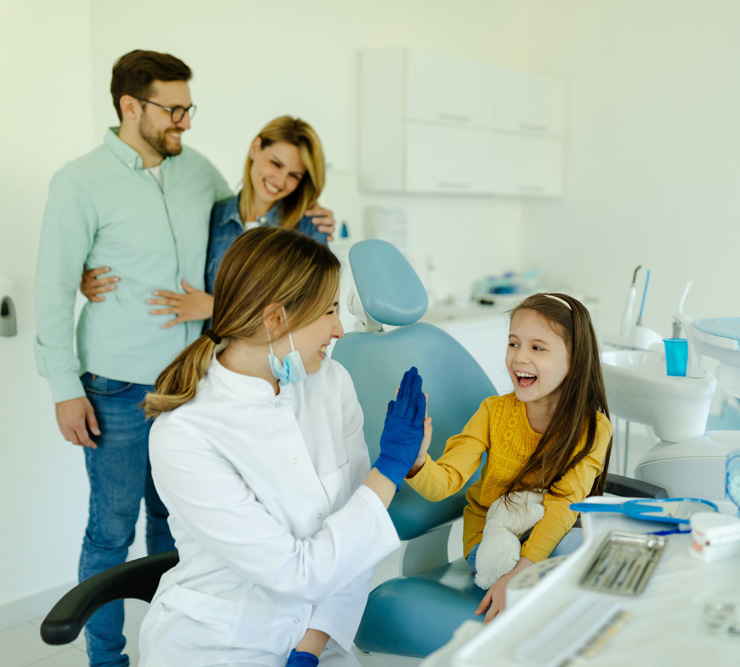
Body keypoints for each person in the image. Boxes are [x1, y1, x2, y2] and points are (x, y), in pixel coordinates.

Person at [139, 226, 429, 666]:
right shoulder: (184, 435)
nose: (339, 330)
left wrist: (310, 647)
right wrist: (388, 471)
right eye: (329, 310)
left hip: (320, 637)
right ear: (275, 319)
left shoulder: (331, 382)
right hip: (220, 645)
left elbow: (356, 541)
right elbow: (298, 571)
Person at [34, 49, 232, 667]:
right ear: (130, 106)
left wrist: (310, 213)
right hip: (114, 389)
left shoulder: (201, 173)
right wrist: (65, 387)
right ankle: (107, 661)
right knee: (109, 537)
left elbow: (245, 228)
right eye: (174, 110)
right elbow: (52, 286)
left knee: (180, 532)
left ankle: (174, 651)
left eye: (188, 108)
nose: (186, 122)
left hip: (191, 387)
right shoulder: (79, 181)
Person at [405, 292, 613, 623]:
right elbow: (444, 482)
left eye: (537, 347)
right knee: (531, 582)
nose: (519, 358)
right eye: (513, 343)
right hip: (489, 538)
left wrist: (524, 570)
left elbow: (563, 505)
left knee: (586, 549)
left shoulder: (592, 428)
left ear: (573, 360)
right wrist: (416, 460)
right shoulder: (493, 412)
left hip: (546, 535)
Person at [80, 115, 336, 328]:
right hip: (213, 368)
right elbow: (162, 249)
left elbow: (310, 310)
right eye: (276, 163)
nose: (280, 180)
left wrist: (214, 306)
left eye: (294, 175)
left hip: (276, 374)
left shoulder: (308, 228)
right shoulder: (214, 215)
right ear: (255, 147)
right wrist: (90, 273)